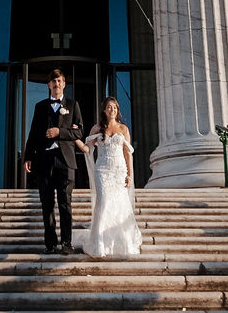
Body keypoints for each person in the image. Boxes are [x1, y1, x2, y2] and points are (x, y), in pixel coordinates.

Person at [74, 95, 144, 258]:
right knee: (103, 203)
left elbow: (128, 154)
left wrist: (129, 175)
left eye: (114, 107)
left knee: (120, 206)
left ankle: (121, 243)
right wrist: (74, 138)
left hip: (119, 171)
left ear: (117, 110)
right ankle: (99, 244)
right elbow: (87, 149)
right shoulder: (97, 129)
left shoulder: (123, 129)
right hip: (103, 171)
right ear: (104, 110)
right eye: (109, 107)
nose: (112, 110)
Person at [23, 68, 83, 254]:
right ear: (48, 85)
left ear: (64, 84)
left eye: (59, 81)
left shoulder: (73, 105)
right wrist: (28, 156)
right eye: (53, 82)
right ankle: (50, 244)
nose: (56, 84)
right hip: (44, 161)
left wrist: (60, 132)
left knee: (65, 204)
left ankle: (67, 243)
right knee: (47, 204)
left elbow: (79, 132)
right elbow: (33, 133)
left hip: (66, 162)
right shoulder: (40, 107)